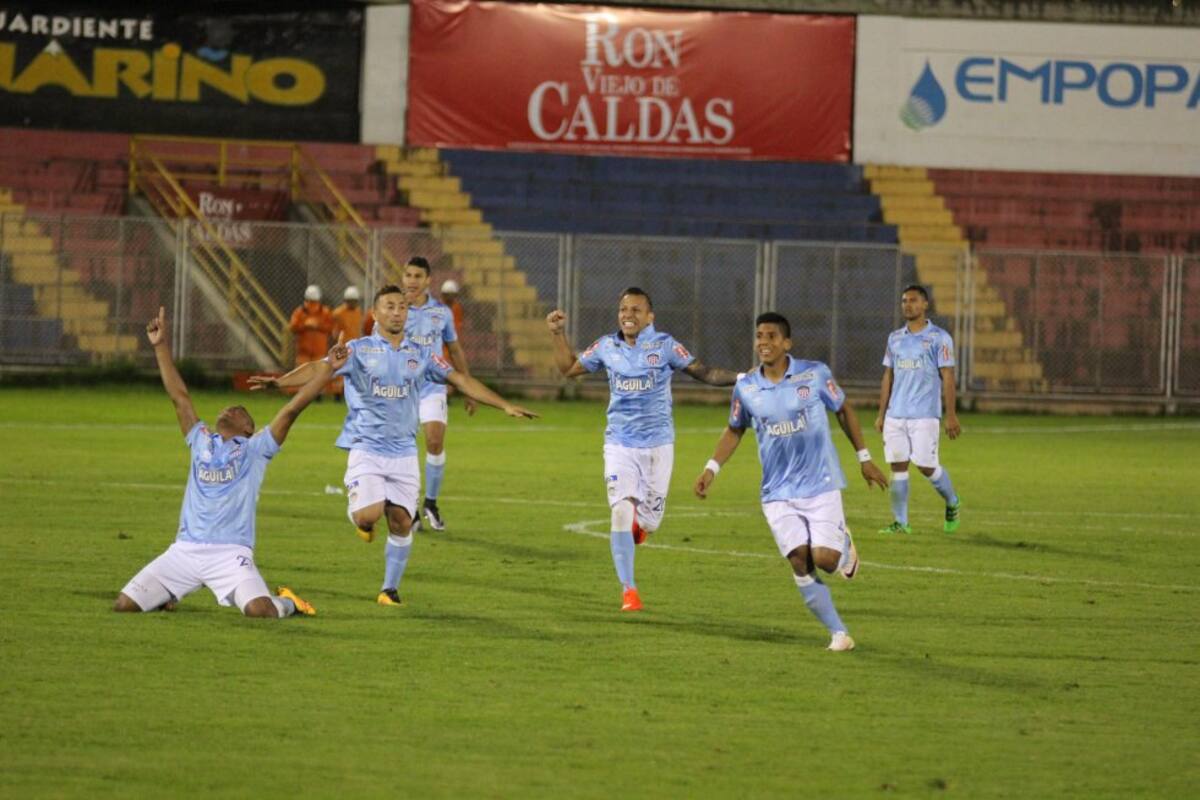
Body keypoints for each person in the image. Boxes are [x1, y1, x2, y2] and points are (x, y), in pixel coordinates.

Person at [250, 285, 537, 607]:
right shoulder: (358, 350)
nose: (397, 312)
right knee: (368, 516)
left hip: (403, 453)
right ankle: (364, 517)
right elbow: (319, 367)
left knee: (402, 521)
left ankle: (389, 590)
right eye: (389, 306)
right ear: (375, 313)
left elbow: (460, 380)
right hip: (367, 448)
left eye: (401, 307)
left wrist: (504, 405)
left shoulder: (422, 354)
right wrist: (280, 381)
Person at [114, 307, 346, 619]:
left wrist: (328, 370)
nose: (231, 409)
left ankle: (290, 603)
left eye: (240, 410)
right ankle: (166, 593)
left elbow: (291, 409)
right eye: (230, 407)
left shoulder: (255, 449)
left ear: (249, 429)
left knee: (260, 611)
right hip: (184, 550)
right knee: (125, 605)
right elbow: (179, 397)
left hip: (230, 554)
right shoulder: (200, 440)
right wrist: (160, 346)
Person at [693, 312, 888, 652]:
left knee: (824, 560)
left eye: (770, 336)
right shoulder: (747, 386)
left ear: (787, 343)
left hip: (820, 483)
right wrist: (711, 469)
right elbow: (736, 428)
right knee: (799, 557)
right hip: (777, 492)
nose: (763, 342)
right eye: (758, 336)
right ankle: (839, 633)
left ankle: (842, 546)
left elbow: (843, 410)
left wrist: (865, 459)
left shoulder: (814, 374)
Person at [546, 287, 739, 613]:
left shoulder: (664, 346)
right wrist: (558, 334)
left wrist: (746, 377)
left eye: (636, 310)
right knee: (621, 509)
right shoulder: (607, 346)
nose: (627, 315)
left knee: (647, 524)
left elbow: (705, 373)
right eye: (623, 309)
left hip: (658, 446)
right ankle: (629, 590)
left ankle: (641, 528)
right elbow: (568, 369)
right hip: (620, 444)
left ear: (650, 316)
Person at [874, 284, 962, 534]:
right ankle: (901, 523)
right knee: (898, 466)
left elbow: (948, 376)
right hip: (895, 414)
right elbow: (888, 376)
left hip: (925, 415)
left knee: (925, 465)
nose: (907, 305)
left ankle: (952, 501)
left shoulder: (939, 338)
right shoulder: (895, 338)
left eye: (913, 300)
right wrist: (882, 414)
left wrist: (951, 415)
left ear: (925, 305)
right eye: (904, 301)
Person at [401, 257, 477, 533]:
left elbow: (455, 350)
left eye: (417, 276)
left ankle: (430, 503)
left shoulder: (441, 313)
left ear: (427, 280)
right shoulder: (394, 309)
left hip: (433, 387)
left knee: (434, 441)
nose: (411, 281)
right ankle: (409, 509)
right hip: (402, 390)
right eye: (408, 275)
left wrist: (467, 387)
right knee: (404, 449)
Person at [331, 286, 365, 402]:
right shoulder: (338, 313)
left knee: (355, 371)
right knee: (340, 372)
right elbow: (334, 331)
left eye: (354, 301)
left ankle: (354, 396)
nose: (352, 303)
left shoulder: (359, 312)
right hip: (343, 346)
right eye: (350, 301)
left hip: (355, 346)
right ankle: (337, 395)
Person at [289, 284, 334, 370]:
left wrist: (317, 326)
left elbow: (331, 327)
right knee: (302, 378)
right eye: (311, 302)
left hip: (318, 354)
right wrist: (305, 325)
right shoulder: (300, 312)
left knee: (313, 378)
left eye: (314, 302)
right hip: (304, 354)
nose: (312, 305)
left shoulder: (325, 312)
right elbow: (293, 327)